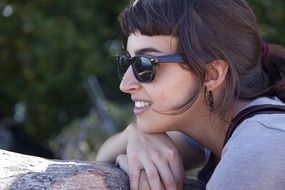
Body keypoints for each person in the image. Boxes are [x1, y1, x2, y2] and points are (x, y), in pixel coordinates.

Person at [96, 0, 285, 189]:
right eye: (127, 63)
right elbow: (101, 161)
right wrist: (134, 135)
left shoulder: (258, 150)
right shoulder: (219, 125)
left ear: (211, 74)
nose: (125, 84)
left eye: (144, 65)